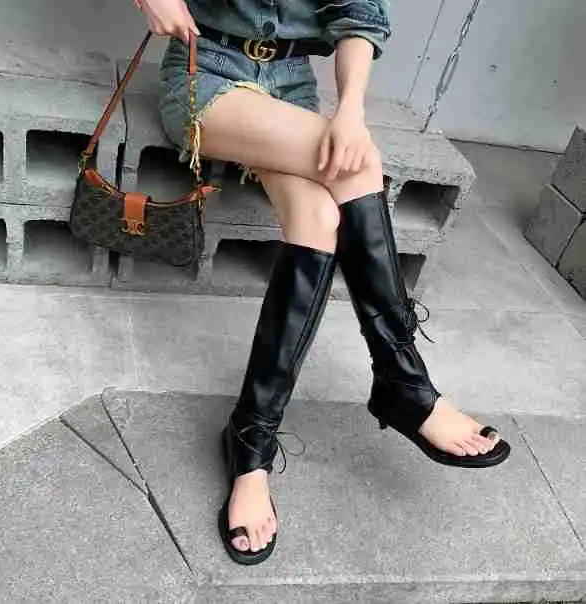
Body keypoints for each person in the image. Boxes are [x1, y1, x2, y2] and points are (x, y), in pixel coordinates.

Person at [135, 0, 511, 566]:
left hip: (292, 89)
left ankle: (250, 438)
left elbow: (359, 15)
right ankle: (404, 382)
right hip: (206, 73)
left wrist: (350, 112)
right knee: (360, 165)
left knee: (319, 218)